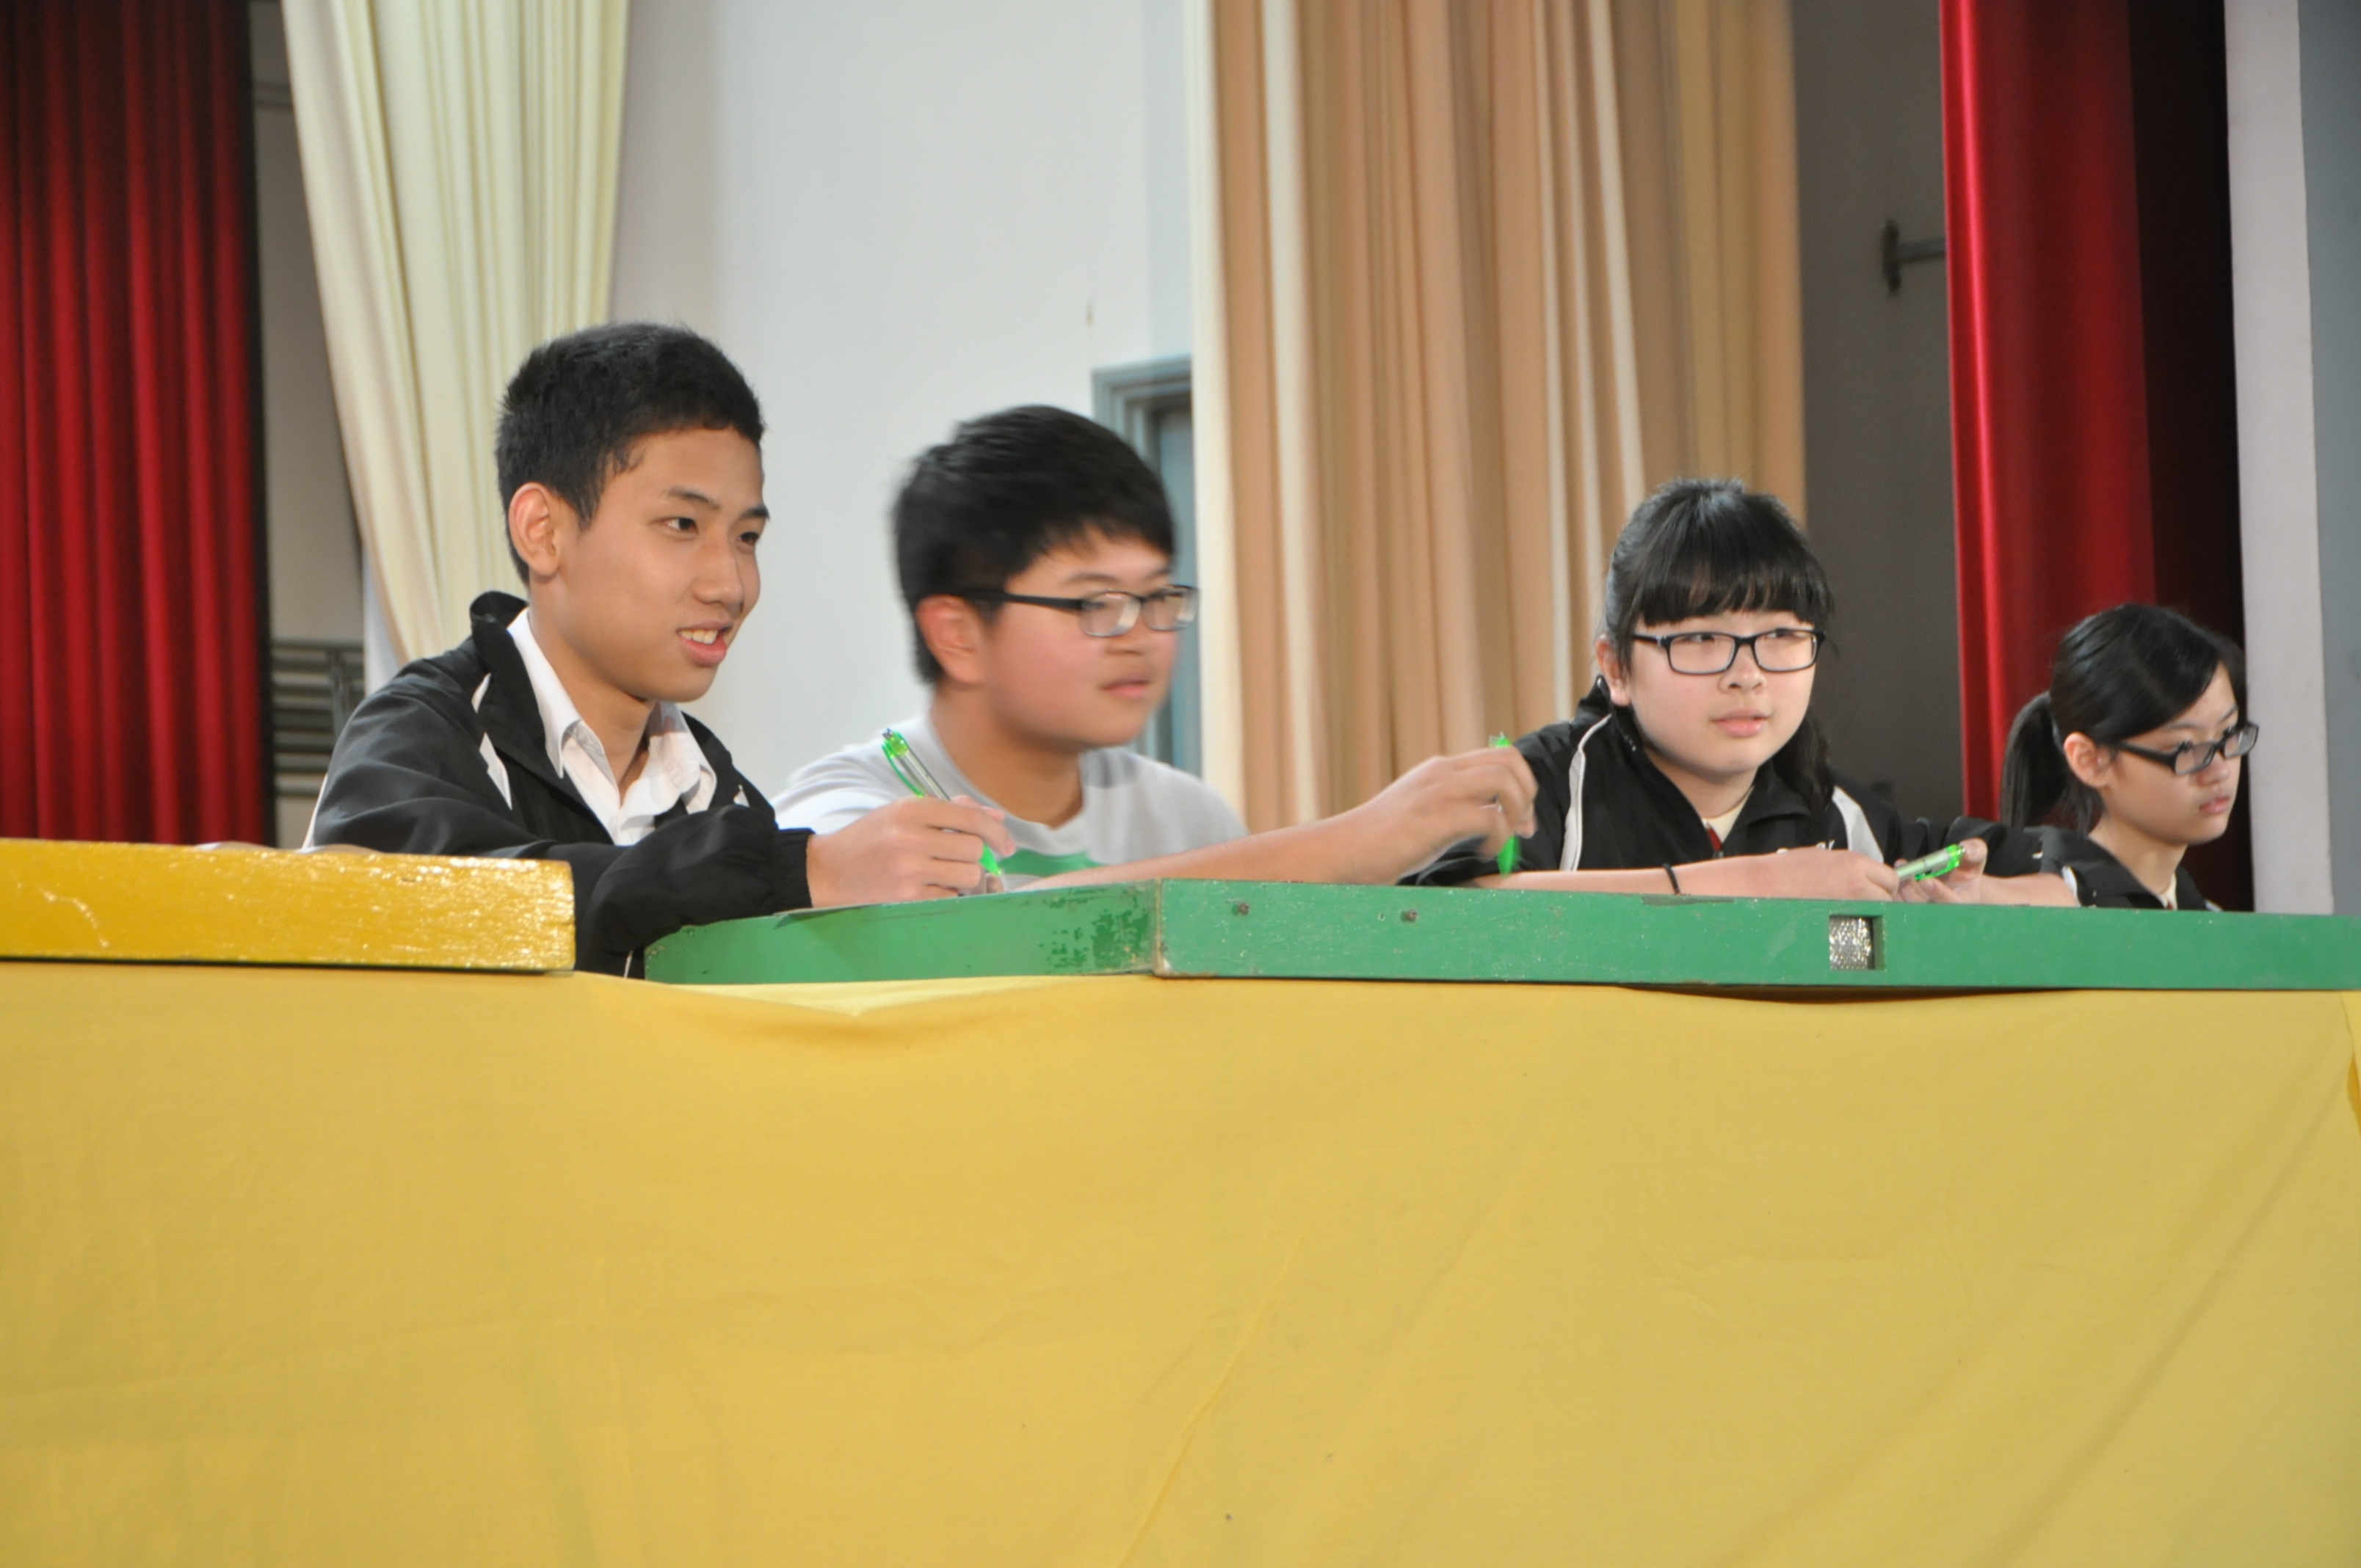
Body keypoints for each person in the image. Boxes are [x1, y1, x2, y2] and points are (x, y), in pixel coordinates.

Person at [308, 324, 1012, 973]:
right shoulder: (416, 738)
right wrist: (802, 871)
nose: (730, 584)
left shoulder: (716, 791)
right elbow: (461, 908)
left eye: (747, 537)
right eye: (682, 525)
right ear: (543, 531)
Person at [774, 405, 1535, 887]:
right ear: (958, 633)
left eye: (1158, 598)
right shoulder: (843, 814)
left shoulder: (1185, 817)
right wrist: (1358, 841)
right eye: (1095, 603)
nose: (1141, 635)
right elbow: (997, 934)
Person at [1410, 477, 2072, 903]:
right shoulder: (1544, 785)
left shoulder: (1839, 816)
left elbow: (2089, 878)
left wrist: (1980, 897)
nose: (1747, 674)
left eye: (1781, 635)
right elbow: (1445, 911)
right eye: (1702, 638)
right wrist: (1759, 883)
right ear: (1616, 668)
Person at [1998, 604, 2253, 910]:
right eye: (2184, 748)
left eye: (2229, 733)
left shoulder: (2206, 916)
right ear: (2091, 761)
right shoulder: (2047, 909)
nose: (2220, 770)